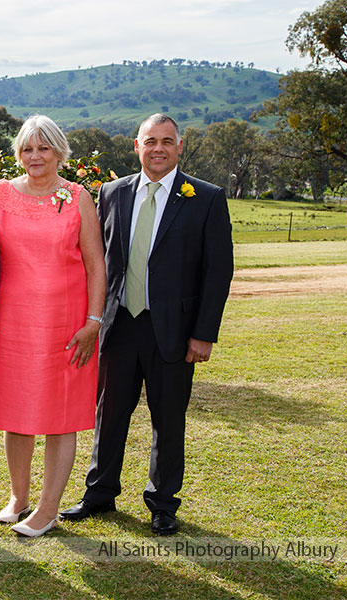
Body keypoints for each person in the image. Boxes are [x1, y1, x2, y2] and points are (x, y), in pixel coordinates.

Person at [60, 113, 233, 536]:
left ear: (179, 146)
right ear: (136, 146)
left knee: (168, 419)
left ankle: (162, 503)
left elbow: (218, 272)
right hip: (119, 326)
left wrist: (203, 334)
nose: (158, 148)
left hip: (174, 330)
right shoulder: (112, 193)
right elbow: (95, 261)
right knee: (109, 413)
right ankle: (100, 493)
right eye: (150, 140)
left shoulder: (206, 198)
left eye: (167, 141)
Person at [0, 115, 105, 537]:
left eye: (44, 148)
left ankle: (47, 509)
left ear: (59, 152)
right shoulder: (0, 192)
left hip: (67, 325)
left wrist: (93, 322)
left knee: (61, 416)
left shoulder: (76, 196)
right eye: (27, 148)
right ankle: (18, 496)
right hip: (11, 322)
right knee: (17, 412)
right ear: (18, 154)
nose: (35, 156)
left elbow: (97, 265)